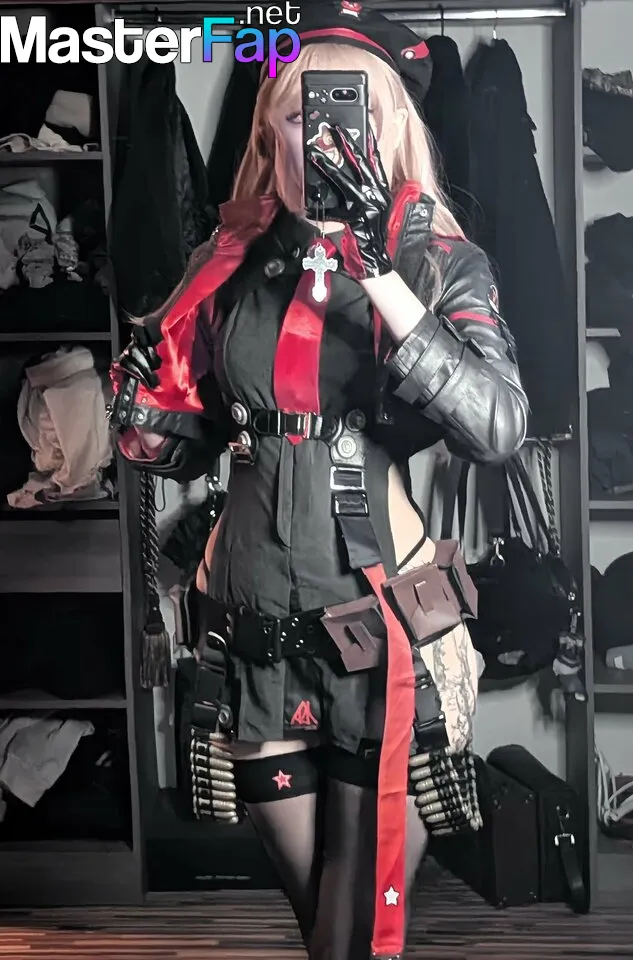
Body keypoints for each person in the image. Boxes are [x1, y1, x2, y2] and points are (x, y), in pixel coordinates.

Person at [109, 3, 529, 958]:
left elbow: (498, 428)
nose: (325, 135)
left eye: (351, 111)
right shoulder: (230, 262)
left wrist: (377, 271)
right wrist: (145, 399)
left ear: (390, 128)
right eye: (302, 113)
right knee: (321, 928)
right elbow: (180, 447)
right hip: (248, 629)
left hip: (378, 627)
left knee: (352, 931)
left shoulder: (434, 258)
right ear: (271, 132)